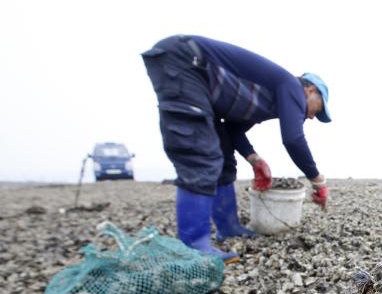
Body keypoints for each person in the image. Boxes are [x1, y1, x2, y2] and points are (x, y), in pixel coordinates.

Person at [142, 35, 331, 263]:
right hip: (187, 62)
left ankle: (228, 227)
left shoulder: (264, 99)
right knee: (200, 153)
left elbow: (232, 130)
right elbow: (293, 139)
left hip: (198, 80)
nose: (312, 117)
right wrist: (317, 180)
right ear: (310, 90)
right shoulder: (291, 85)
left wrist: (254, 160)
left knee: (222, 154)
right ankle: (193, 246)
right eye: (317, 110)